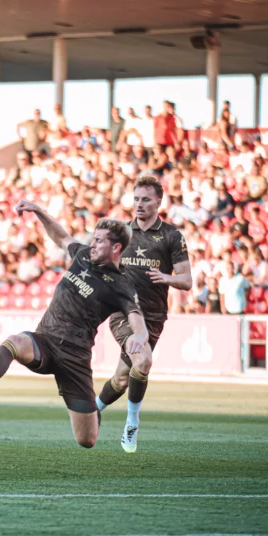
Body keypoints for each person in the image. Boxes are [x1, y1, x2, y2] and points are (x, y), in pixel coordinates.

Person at [0, 202, 148, 449]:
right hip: (45, 341)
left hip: (75, 358)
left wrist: (139, 337)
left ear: (116, 247)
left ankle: (93, 413)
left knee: (87, 440)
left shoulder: (121, 284)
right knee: (15, 341)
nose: (92, 244)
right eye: (93, 239)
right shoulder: (82, 255)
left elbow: (137, 318)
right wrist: (39, 212)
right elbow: (61, 237)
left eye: (99, 241)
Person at [95, 174, 192, 453]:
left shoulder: (172, 236)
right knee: (144, 360)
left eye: (146, 199)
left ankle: (94, 409)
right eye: (136, 199)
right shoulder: (122, 233)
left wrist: (166, 277)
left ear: (158, 202)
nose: (139, 204)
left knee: (122, 378)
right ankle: (132, 422)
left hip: (154, 315)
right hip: (123, 312)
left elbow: (187, 280)